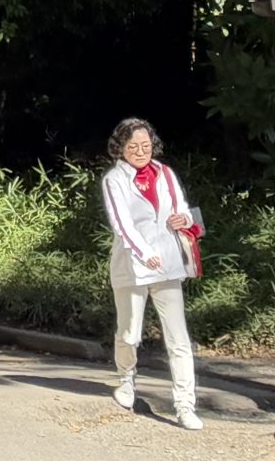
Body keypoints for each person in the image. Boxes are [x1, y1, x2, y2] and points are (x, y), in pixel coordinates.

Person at [102, 117, 204, 431]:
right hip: (133, 266)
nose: (141, 152)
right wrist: (146, 254)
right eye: (133, 146)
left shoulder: (166, 173)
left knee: (178, 337)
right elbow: (122, 225)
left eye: (146, 146)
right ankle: (126, 379)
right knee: (129, 332)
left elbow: (184, 208)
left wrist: (182, 218)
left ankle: (185, 404)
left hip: (169, 264)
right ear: (120, 148)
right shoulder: (114, 180)